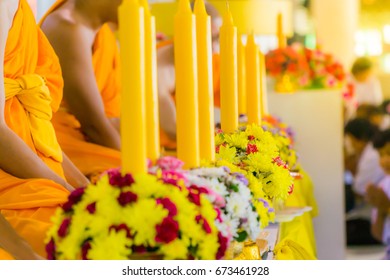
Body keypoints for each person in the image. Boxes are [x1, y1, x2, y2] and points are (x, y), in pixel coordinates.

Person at [0, 0, 89, 258]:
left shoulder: (26, 4)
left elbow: (37, 129)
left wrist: (83, 189)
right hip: (12, 177)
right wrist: (69, 192)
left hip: (36, 164)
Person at [40, 0, 122, 178]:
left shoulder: (103, 32)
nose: (144, 6)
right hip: (54, 141)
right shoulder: (67, 28)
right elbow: (94, 126)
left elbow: (112, 111)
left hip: (88, 137)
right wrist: (141, 163)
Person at [156, 1, 222, 149]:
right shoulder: (164, 59)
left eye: (217, 38)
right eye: (209, 38)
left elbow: (233, 109)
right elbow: (171, 127)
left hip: (204, 143)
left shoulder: (214, 61)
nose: (214, 46)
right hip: (169, 149)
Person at [344, 118, 384, 245]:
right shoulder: (369, 151)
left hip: (373, 216)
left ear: (359, 138)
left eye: (351, 140)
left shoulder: (371, 155)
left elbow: (359, 189)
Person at [366, 129, 390, 259]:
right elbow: (378, 234)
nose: (385, 160)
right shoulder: (384, 184)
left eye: (389, 154)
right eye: (381, 155)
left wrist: (386, 207)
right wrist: (381, 210)